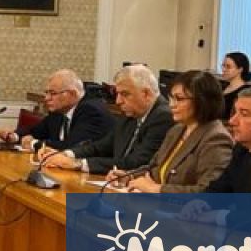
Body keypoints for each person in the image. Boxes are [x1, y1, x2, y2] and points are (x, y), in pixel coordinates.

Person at [42, 64, 172, 173]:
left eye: (124, 94)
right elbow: (101, 147)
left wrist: (78, 163)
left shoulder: (163, 117)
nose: (118, 101)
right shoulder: (132, 114)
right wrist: (66, 154)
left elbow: (136, 163)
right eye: (117, 94)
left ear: (146, 94)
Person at [122, 70, 232, 193]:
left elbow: (207, 191)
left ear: (202, 101)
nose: (172, 105)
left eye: (179, 99)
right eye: (171, 98)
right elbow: (154, 167)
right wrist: (128, 176)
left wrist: (157, 189)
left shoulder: (216, 138)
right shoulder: (177, 130)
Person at [0, 69, 113, 151]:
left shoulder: (91, 111)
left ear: (72, 94)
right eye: (46, 92)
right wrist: (14, 136)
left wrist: (34, 144)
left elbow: (72, 147)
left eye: (53, 93)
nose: (47, 98)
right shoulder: (59, 110)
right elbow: (36, 131)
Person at [220, 51, 251, 120]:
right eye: (223, 66)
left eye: (228, 67)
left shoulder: (245, 92)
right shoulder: (221, 86)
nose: (223, 70)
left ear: (240, 69)